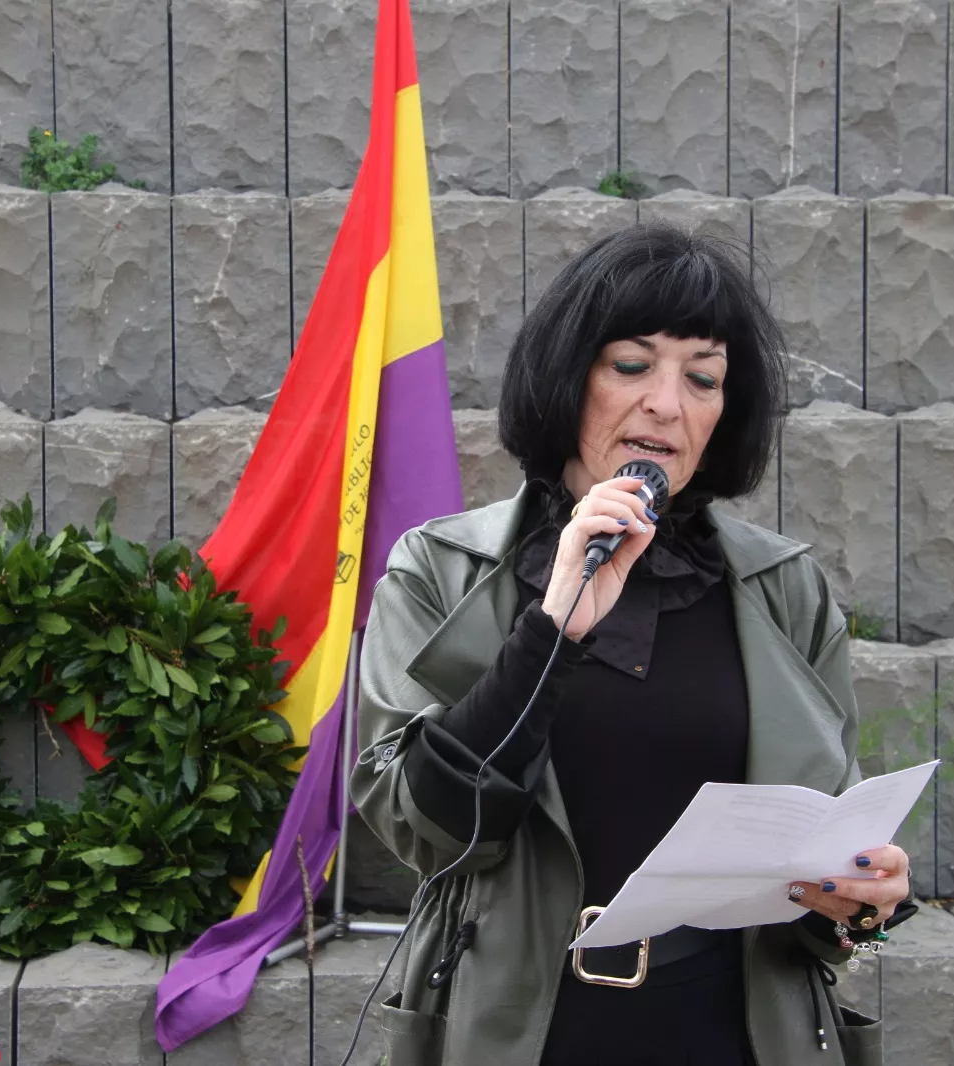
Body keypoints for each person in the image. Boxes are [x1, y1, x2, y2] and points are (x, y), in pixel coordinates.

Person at [350, 222, 916, 1066]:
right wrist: (552, 629)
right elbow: (423, 829)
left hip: (736, 1030)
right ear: (567, 377)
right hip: (519, 1030)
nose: (666, 404)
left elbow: (824, 873)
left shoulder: (785, 588)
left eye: (704, 379)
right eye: (631, 365)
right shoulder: (442, 568)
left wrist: (860, 904)